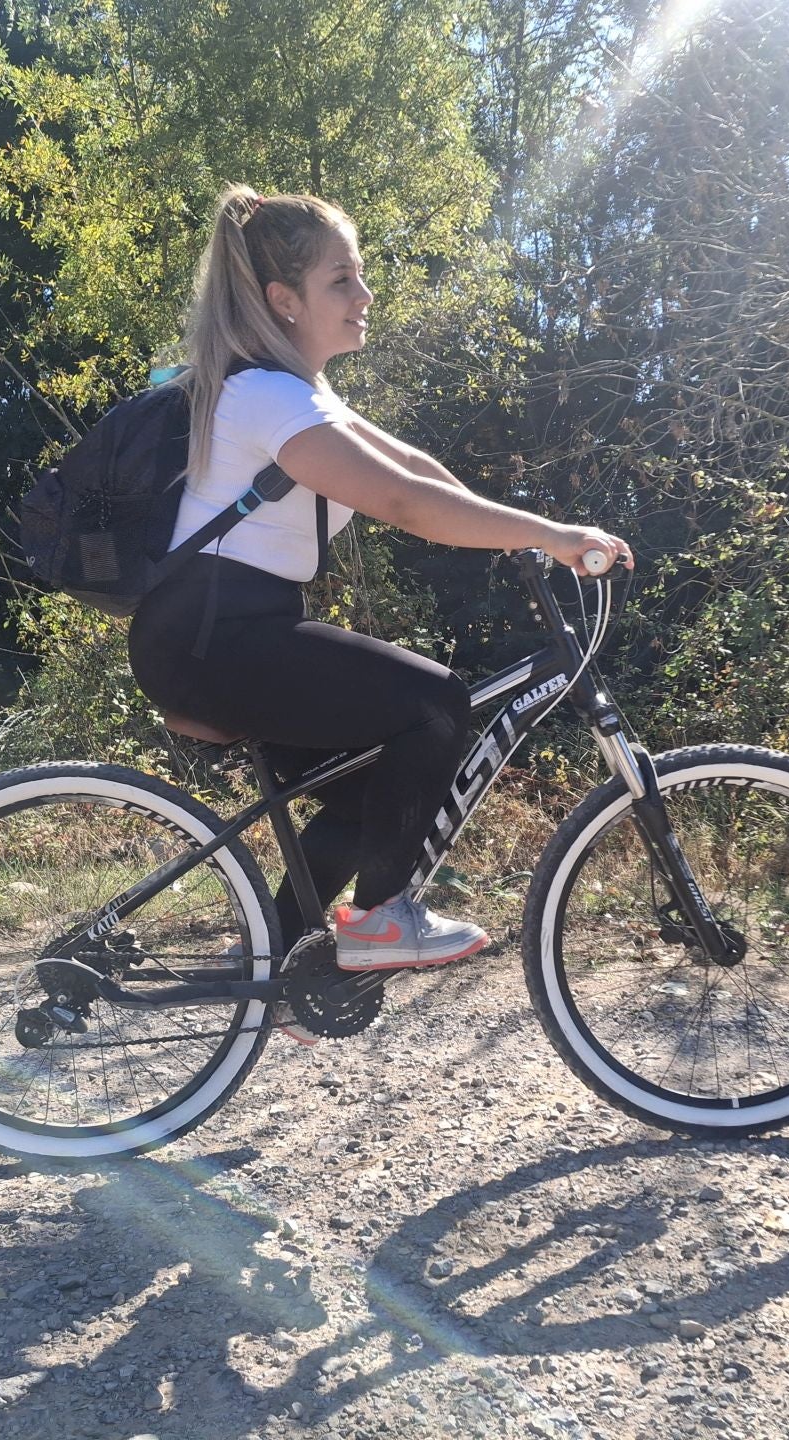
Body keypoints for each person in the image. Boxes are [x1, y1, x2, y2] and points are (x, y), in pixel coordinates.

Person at [128, 183, 632, 987]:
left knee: (378, 794)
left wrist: (506, 532)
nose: (364, 296)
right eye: (342, 281)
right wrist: (547, 536)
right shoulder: (267, 396)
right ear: (283, 300)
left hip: (227, 632)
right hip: (212, 638)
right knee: (434, 703)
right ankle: (382, 921)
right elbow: (402, 503)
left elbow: (420, 473)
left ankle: (274, 960)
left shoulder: (306, 395)